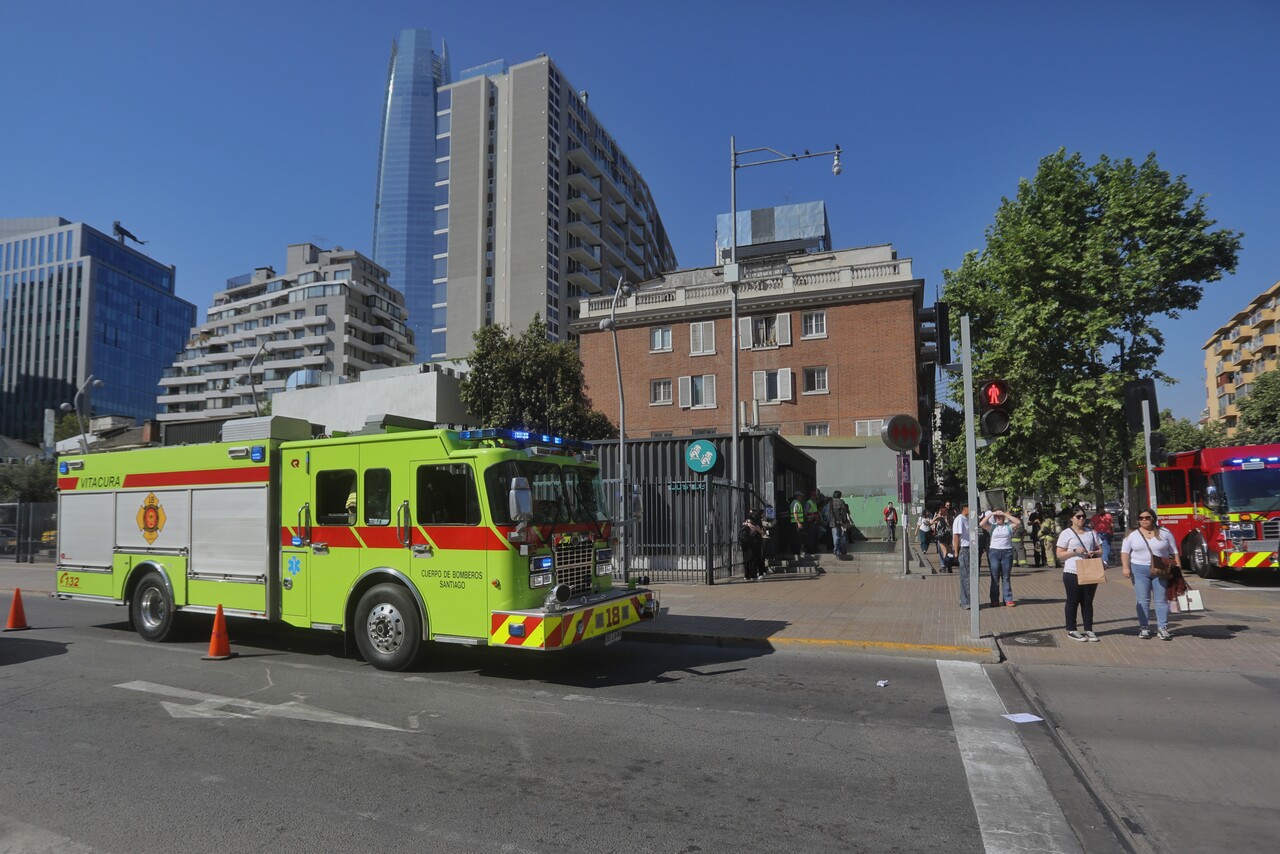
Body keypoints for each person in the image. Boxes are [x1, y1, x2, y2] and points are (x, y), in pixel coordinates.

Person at [1120, 507, 1179, 640]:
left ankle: (1162, 628)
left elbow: (1174, 550)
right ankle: (1144, 627)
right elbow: (1125, 551)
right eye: (1141, 518)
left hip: (1161, 570)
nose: (1144, 520)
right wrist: (1125, 567)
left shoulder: (1164, 532)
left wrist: (1177, 566)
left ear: (1153, 518)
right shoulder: (1132, 534)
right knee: (1143, 600)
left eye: (1147, 518)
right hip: (1139, 570)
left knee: (1161, 599)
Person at [1056, 506, 1104, 642]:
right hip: (1072, 571)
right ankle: (1072, 629)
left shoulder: (1091, 532)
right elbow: (1059, 555)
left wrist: (1094, 553)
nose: (1082, 519)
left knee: (1088, 601)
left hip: (1089, 569)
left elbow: (1100, 550)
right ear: (1071, 518)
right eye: (1078, 516)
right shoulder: (1066, 533)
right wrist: (1075, 551)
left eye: (1083, 516)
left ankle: (1088, 629)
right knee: (1073, 600)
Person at [981, 508, 1021, 607]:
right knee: (995, 577)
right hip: (994, 552)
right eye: (997, 517)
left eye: (1000, 517)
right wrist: (991, 514)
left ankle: (1008, 598)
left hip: (1006, 552)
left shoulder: (1008, 527)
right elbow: (981, 524)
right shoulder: (992, 527)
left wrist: (1005, 514)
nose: (999, 518)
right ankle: (994, 599)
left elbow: (1018, 522)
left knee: (1006, 577)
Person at [952, 503, 972, 609]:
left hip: (968, 549)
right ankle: (966, 601)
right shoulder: (960, 519)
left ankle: (964, 599)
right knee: (966, 576)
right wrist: (956, 552)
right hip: (964, 549)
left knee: (967, 575)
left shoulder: (966, 519)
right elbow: (956, 536)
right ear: (964, 508)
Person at [739, 509, 767, 581]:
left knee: (748, 558)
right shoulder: (755, 520)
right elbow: (762, 532)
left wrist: (748, 524)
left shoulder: (745, 520)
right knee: (755, 558)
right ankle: (756, 574)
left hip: (747, 542)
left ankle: (749, 575)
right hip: (753, 542)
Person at [827, 490, 852, 557]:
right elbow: (844, 512)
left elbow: (829, 513)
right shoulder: (841, 502)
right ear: (839, 495)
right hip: (841, 522)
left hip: (833, 522)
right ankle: (842, 549)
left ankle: (836, 550)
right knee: (843, 536)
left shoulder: (830, 503)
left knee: (836, 536)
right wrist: (844, 521)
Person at [789, 491, 807, 558]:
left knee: (797, 537)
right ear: (797, 496)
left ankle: (796, 550)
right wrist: (798, 523)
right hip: (796, 523)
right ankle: (796, 551)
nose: (801, 497)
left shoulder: (796, 502)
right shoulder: (795, 503)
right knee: (797, 538)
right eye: (800, 496)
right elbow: (795, 513)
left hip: (796, 523)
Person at [804, 490, 821, 555]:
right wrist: (813, 516)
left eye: (815, 496)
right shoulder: (809, 503)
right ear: (811, 496)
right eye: (813, 496)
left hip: (814, 522)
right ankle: (810, 549)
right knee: (811, 537)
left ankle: (814, 548)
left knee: (815, 536)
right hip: (810, 522)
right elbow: (805, 513)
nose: (815, 497)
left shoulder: (814, 503)